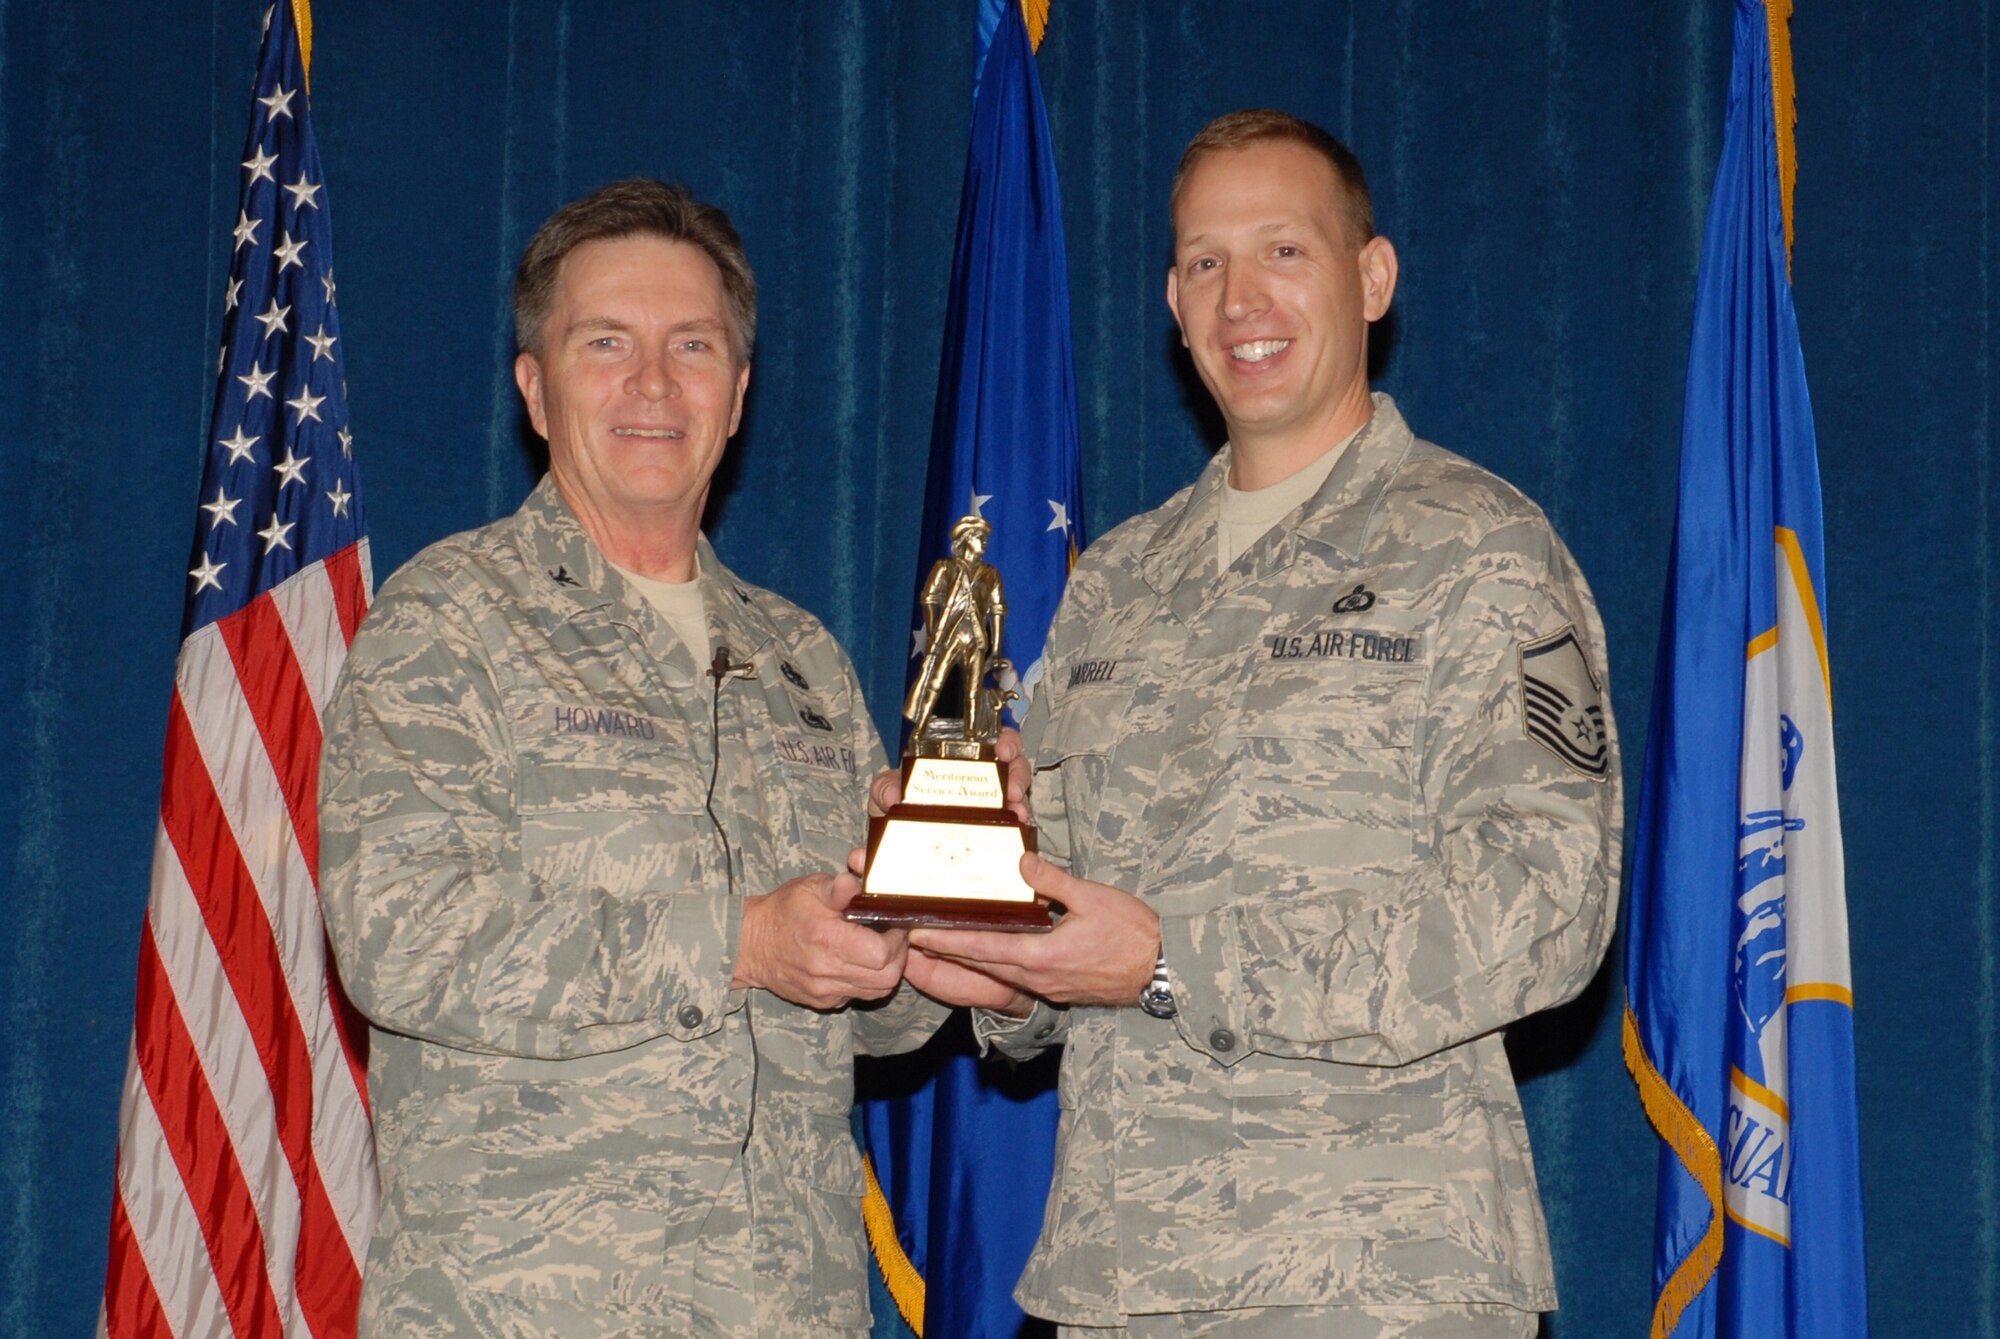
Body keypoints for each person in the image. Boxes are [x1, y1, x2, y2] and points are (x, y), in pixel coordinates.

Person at [903, 110, 1623, 1338]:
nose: (1241, 297)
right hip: (1120, 1281)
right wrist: (984, 907)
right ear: (1173, 305)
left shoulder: (1473, 547)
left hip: (1373, 1279)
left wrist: (1179, 960)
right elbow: (1059, 962)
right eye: (1202, 263)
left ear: (1371, 276)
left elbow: (1545, 907)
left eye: (1282, 251)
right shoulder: (1116, 582)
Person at [319, 179, 952, 1338]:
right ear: (535, 389)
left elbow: (870, 1020)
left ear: (739, 391)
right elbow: (397, 937)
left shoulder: (799, 656)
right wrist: (738, 941)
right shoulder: (450, 621)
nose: (652, 383)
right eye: (605, 342)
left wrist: (936, 929)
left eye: (691, 346)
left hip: (788, 1307)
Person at [903, 514, 1009, 746]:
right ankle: (920, 729)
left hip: (976, 639)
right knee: (935, 682)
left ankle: (971, 734)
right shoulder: (945, 568)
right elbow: (929, 599)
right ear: (967, 539)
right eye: (980, 537)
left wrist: (997, 647)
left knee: (973, 689)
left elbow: (997, 610)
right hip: (949, 637)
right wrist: (933, 634)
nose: (985, 542)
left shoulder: (991, 574)